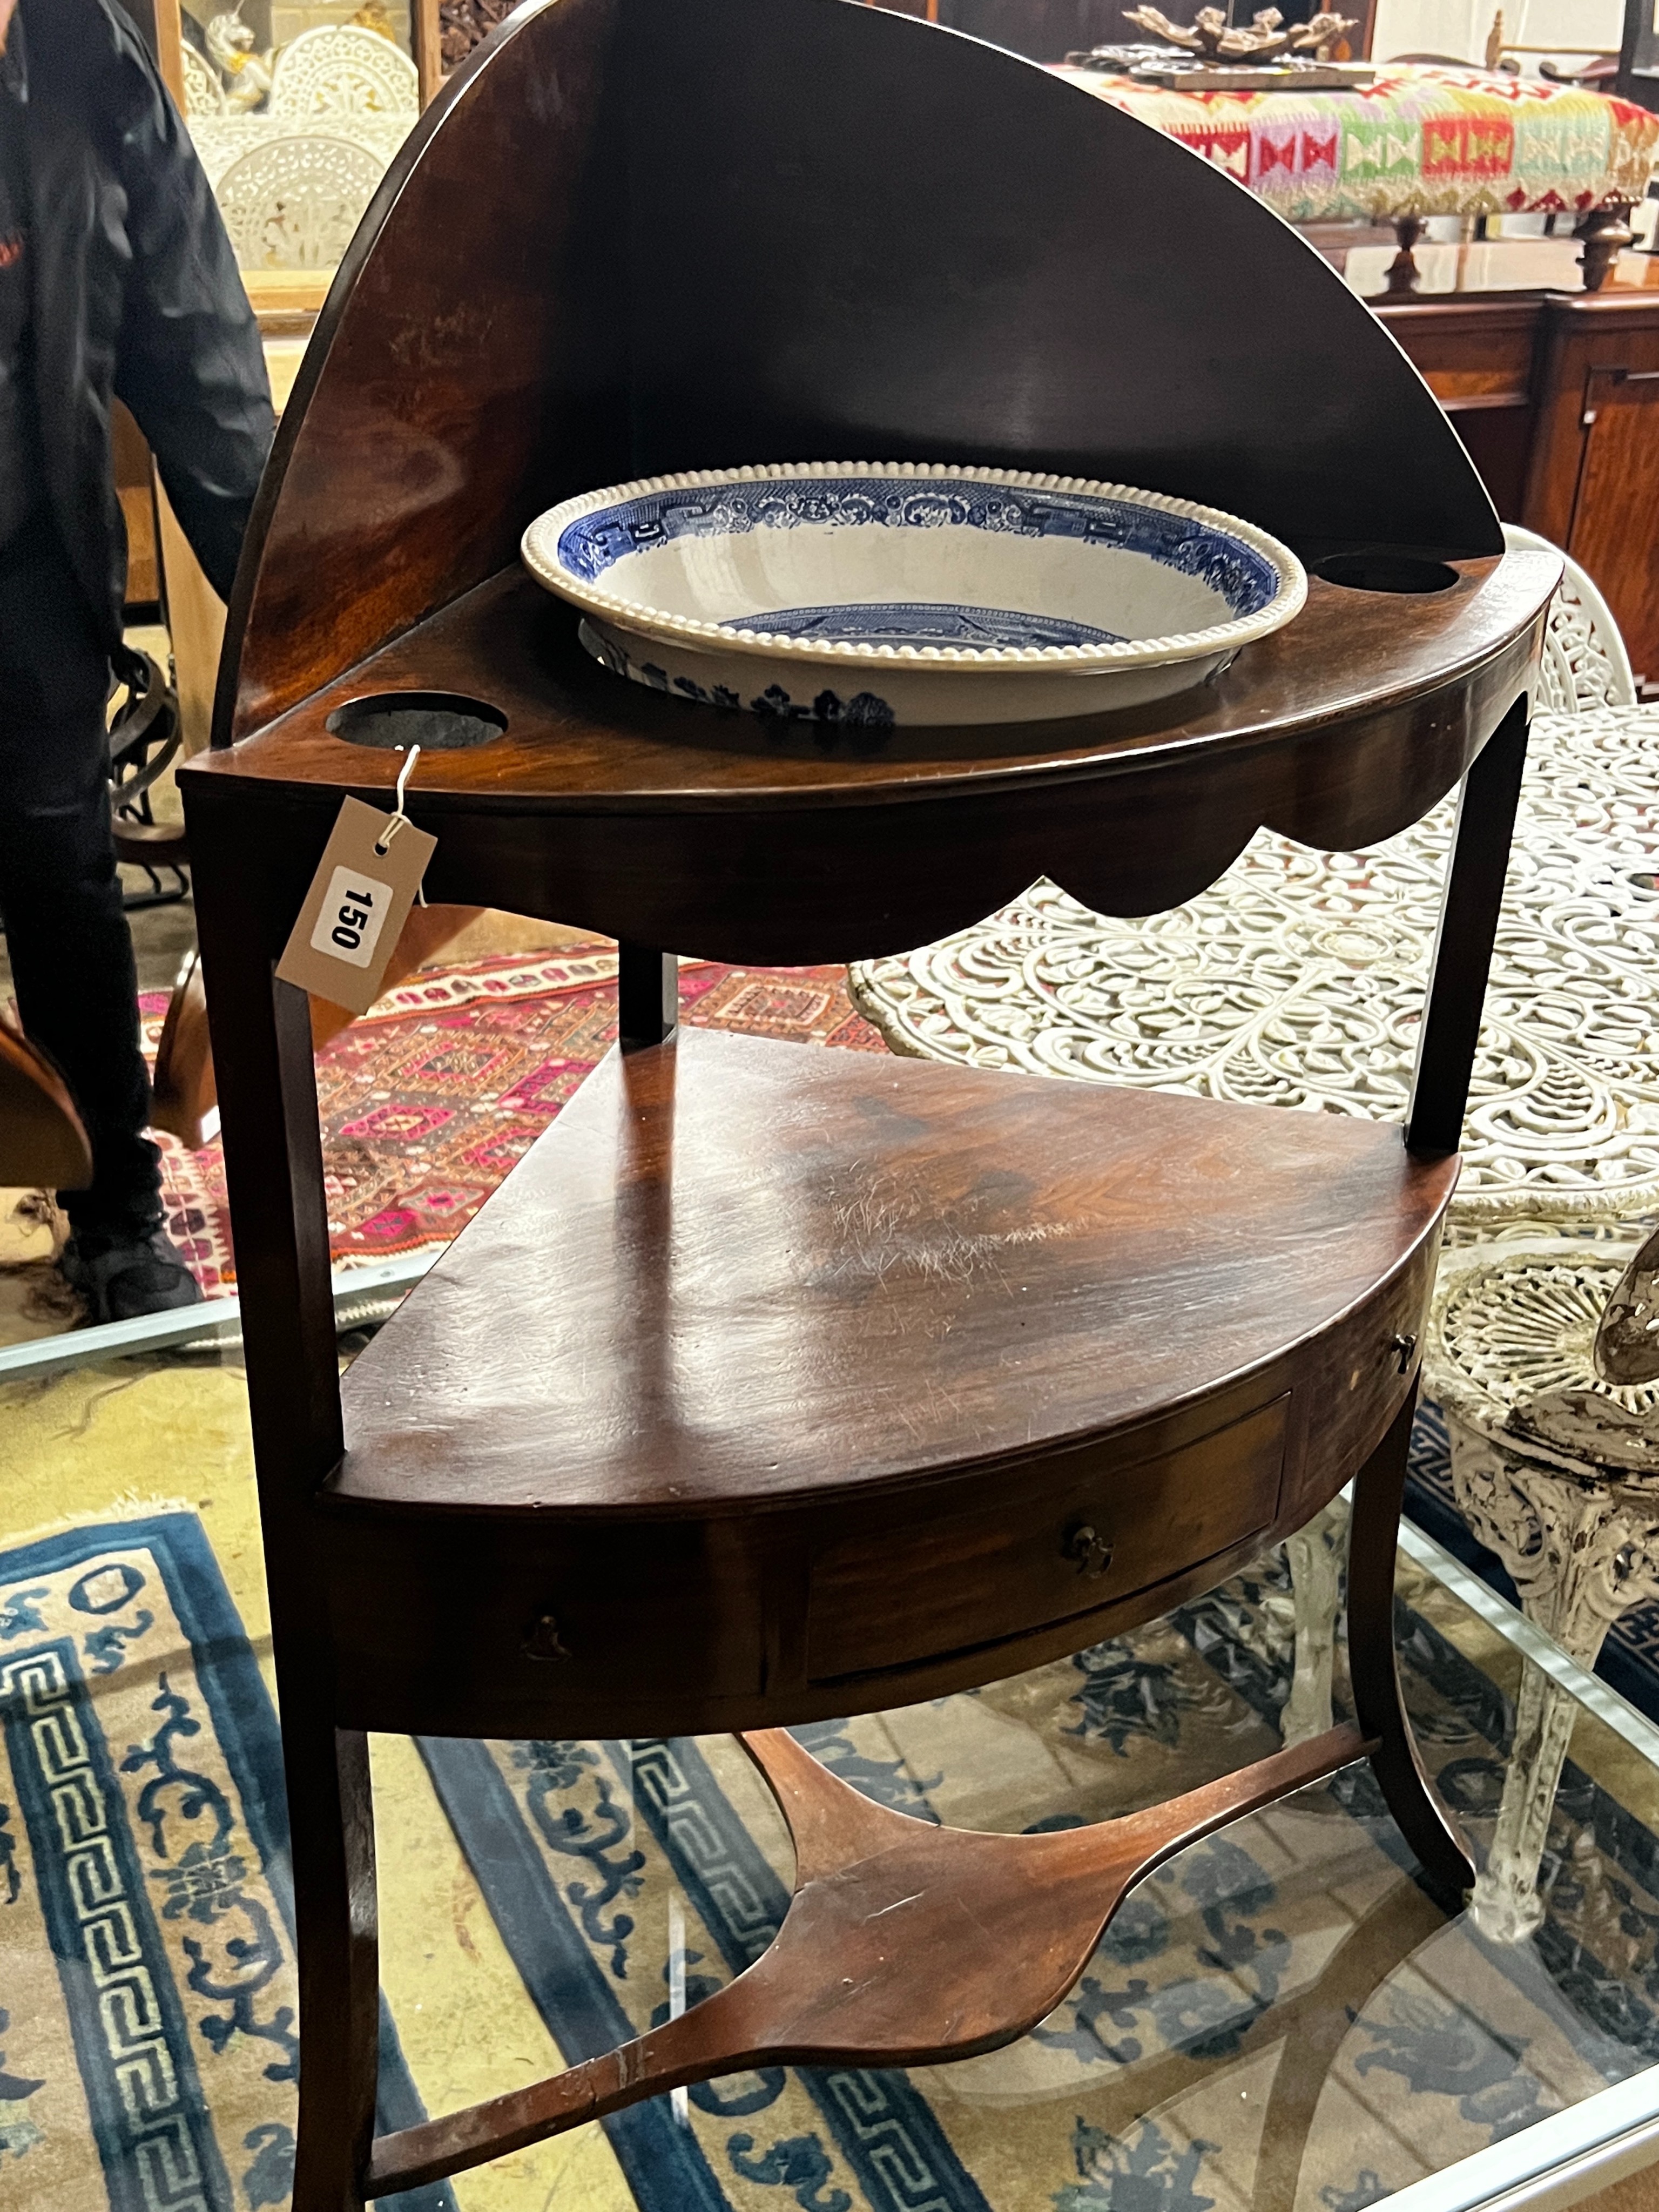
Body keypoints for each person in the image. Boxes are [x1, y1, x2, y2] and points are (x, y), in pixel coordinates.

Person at [0, 0, 273, 1319]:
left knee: (62, 880)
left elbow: (203, 369)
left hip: (29, 571)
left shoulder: (86, 64)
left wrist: (307, 633)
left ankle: (114, 1213)